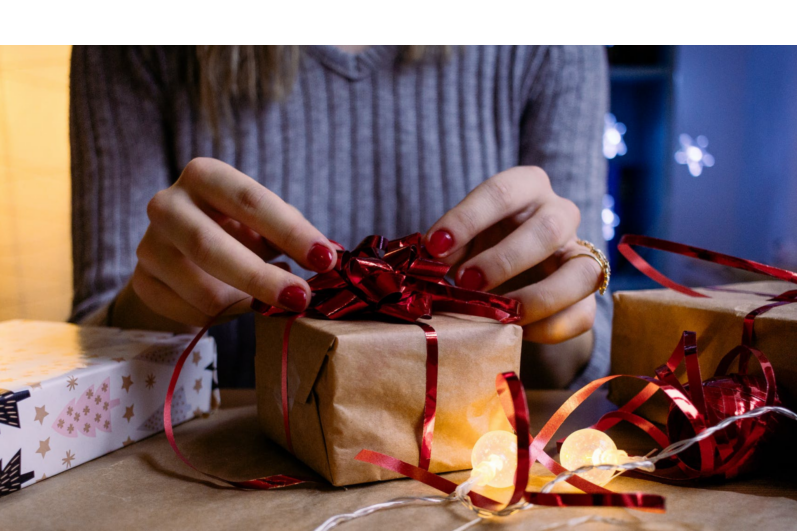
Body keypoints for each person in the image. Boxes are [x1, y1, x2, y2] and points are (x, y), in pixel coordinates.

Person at [70, 45, 612, 391]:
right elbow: (93, 339)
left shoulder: (556, 53)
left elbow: (588, 352)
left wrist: (552, 312)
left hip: (472, 479)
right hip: (208, 483)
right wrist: (157, 304)